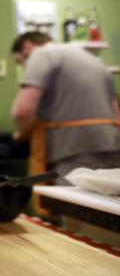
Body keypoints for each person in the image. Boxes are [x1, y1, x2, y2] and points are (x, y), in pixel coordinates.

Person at [10, 31, 120, 186]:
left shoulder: (41, 54)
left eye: (21, 62)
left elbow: (22, 112)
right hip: (113, 143)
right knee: (105, 206)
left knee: (73, 206)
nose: (24, 67)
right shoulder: (95, 60)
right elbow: (116, 110)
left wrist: (21, 133)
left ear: (27, 47)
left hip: (73, 149)